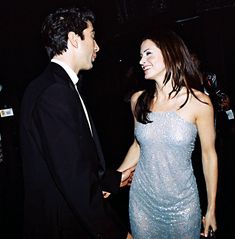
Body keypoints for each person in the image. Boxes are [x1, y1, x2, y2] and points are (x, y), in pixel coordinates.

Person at [20, 7, 133, 239]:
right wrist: (115, 233)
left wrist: (111, 180)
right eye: (92, 36)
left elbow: (74, 159)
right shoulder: (54, 93)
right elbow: (74, 180)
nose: (97, 46)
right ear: (73, 39)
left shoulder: (58, 86)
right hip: (64, 226)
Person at [118, 30, 218, 238]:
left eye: (147, 54)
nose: (141, 61)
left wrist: (211, 209)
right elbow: (137, 146)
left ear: (169, 53)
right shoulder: (139, 100)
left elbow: (209, 156)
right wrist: (112, 180)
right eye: (140, 56)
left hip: (183, 205)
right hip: (142, 202)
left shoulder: (199, 103)